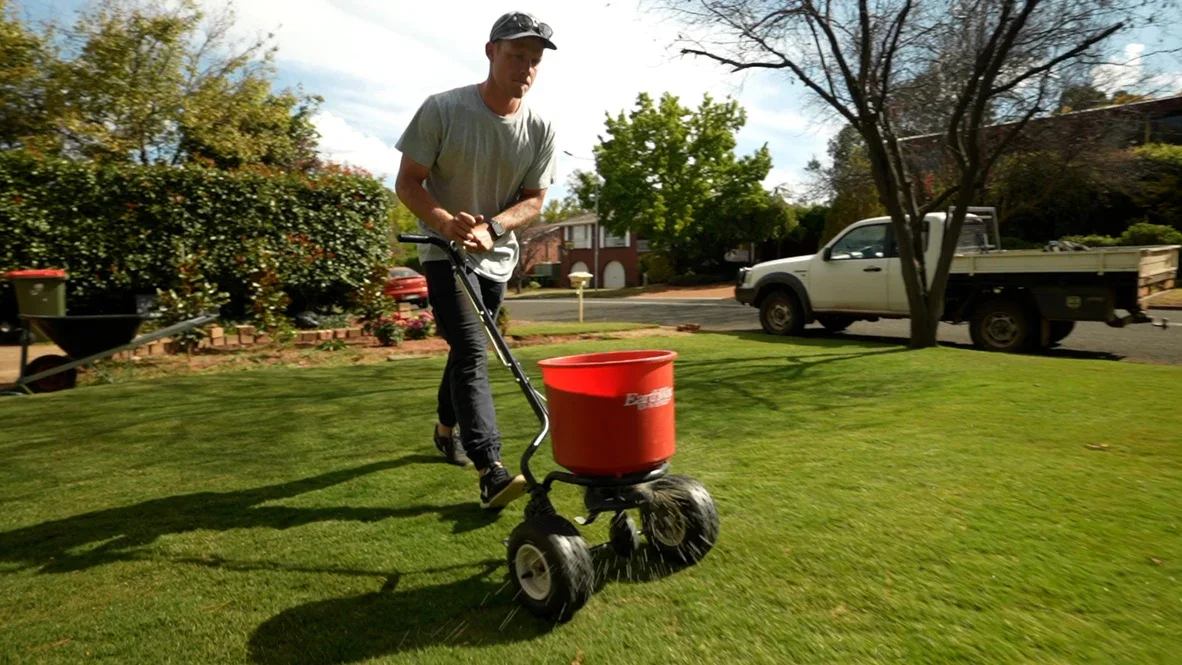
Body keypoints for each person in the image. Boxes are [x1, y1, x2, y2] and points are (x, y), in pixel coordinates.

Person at [394, 11, 559, 510]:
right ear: (491, 52)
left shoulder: (541, 127)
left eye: (534, 61)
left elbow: (535, 200)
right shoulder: (442, 110)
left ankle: (446, 428)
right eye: (516, 56)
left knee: (466, 349)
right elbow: (407, 182)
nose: (526, 68)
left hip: (496, 259)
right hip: (444, 253)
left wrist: (494, 226)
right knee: (471, 351)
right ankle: (491, 468)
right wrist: (445, 222)